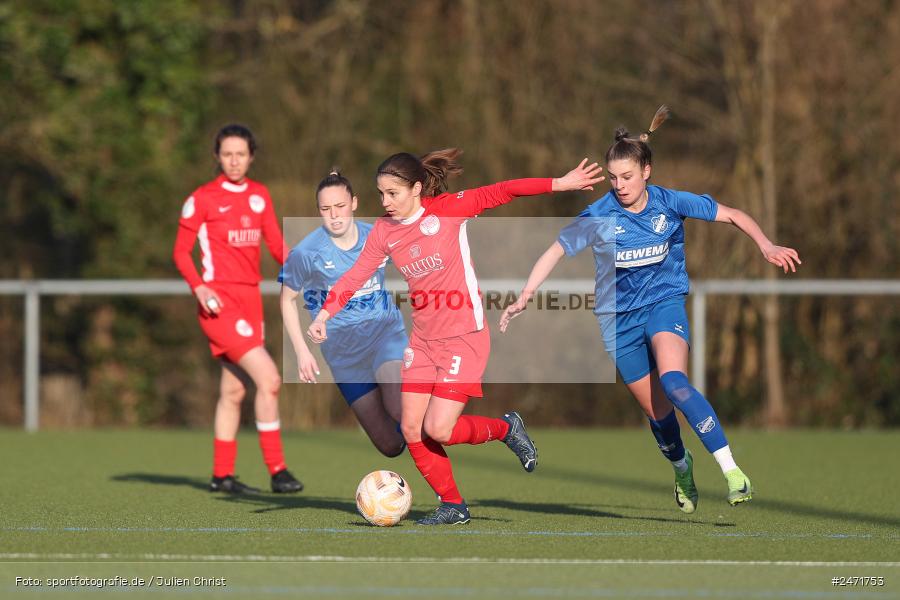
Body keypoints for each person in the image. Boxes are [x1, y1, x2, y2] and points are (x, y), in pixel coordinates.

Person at [500, 106, 801, 513]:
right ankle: (681, 468)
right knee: (658, 414)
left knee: (675, 383)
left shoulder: (670, 202)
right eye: (613, 178)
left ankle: (732, 471)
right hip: (617, 321)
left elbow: (731, 215)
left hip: (664, 304)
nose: (619, 185)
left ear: (646, 171)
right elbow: (555, 250)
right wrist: (525, 295)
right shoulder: (600, 215)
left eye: (627, 177)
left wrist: (765, 244)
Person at [307, 149, 604, 525]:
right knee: (411, 429)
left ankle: (506, 429)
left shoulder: (448, 210)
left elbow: (503, 190)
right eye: (381, 194)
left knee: (439, 429)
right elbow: (355, 275)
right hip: (422, 342)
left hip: (464, 337)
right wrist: (325, 314)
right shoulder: (385, 230)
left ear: (416, 189)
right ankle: (453, 505)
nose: (385, 202)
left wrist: (559, 183)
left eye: (393, 193)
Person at [172, 124, 303, 495]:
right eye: (227, 154)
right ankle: (278, 470)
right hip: (219, 306)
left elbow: (276, 245)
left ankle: (222, 476)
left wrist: (305, 271)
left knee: (233, 391)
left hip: (251, 303)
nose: (234, 161)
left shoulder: (260, 195)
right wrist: (199, 287)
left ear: (251, 157)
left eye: (240, 154)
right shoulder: (202, 198)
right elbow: (180, 252)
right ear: (217, 156)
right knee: (269, 379)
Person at [280, 169, 406, 457]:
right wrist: (302, 351)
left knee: (400, 409)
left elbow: (416, 258)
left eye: (340, 206)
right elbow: (287, 300)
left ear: (354, 203)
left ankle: (439, 428)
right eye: (326, 209)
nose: (334, 215)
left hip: (384, 335)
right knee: (390, 445)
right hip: (344, 354)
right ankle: (423, 428)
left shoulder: (377, 236)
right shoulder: (306, 252)